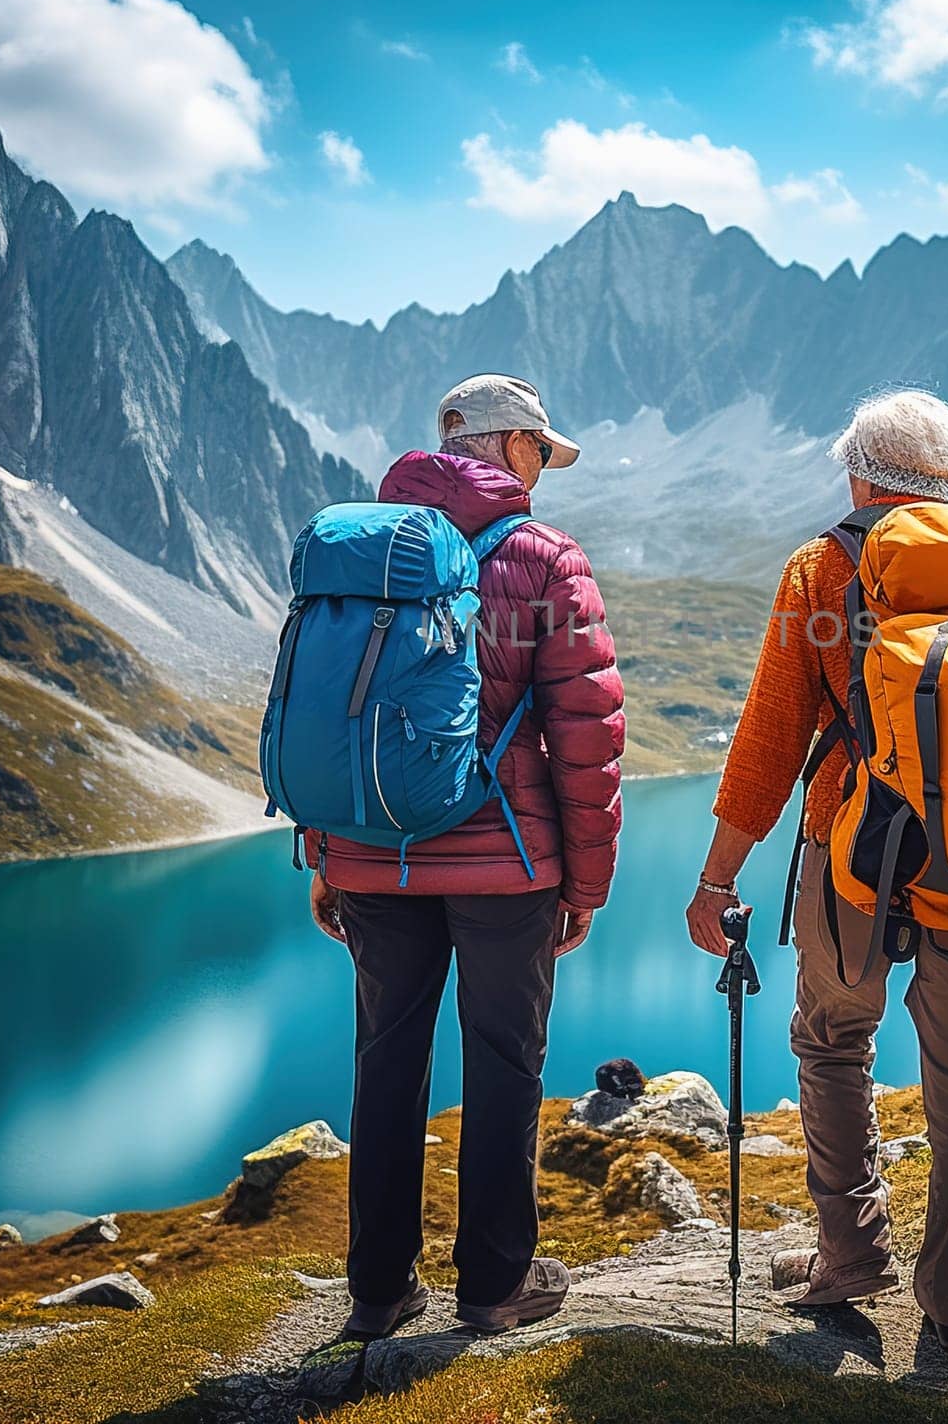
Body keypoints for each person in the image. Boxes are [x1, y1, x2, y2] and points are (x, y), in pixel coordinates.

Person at [684, 389, 948, 1356]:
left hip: (855, 855)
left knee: (834, 1042)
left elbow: (768, 742)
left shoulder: (822, 566)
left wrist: (716, 881)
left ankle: (853, 1257)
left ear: (858, 473)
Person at [309, 374, 625, 1340]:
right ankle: (492, 1287)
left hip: (371, 854)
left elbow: (321, 713)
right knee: (503, 1065)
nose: (543, 470)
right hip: (507, 864)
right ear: (510, 446)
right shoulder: (543, 558)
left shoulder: (359, 546)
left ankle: (377, 1291)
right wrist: (588, 884)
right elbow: (586, 734)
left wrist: (324, 854)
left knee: (386, 1059)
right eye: (540, 451)